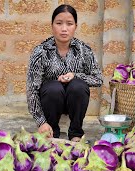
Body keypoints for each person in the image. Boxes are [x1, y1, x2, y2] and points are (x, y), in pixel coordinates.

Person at [26, 4, 103, 142]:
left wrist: (76, 75)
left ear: (75, 26)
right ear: (52, 25)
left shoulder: (83, 50)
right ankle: (51, 132)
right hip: (50, 102)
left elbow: (98, 79)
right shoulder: (40, 52)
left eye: (69, 24)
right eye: (59, 23)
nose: (64, 29)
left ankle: (75, 133)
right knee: (53, 88)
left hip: (74, 101)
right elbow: (32, 90)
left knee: (78, 86)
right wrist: (41, 122)